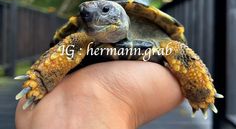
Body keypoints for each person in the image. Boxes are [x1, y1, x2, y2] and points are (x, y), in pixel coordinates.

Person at [15, 61, 183, 129]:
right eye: (85, 14)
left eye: (104, 11)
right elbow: (67, 47)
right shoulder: (79, 40)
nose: (91, 15)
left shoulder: (165, 43)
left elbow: (179, 50)